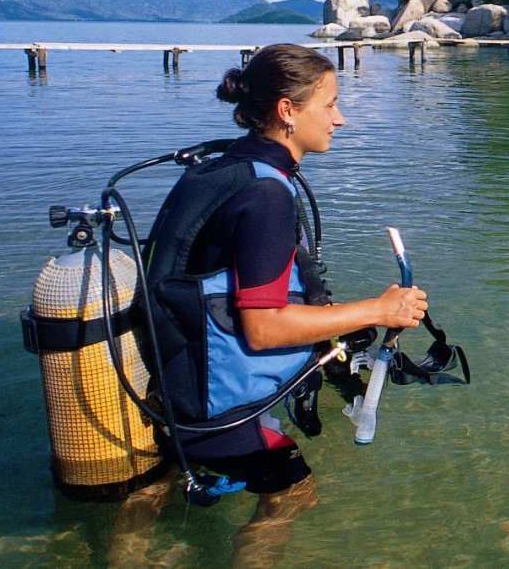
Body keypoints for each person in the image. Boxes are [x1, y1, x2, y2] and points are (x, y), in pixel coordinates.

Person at [116, 43, 428, 566]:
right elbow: (264, 328)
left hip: (173, 381)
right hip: (216, 406)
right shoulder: (266, 196)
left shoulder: (221, 168)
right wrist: (379, 310)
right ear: (288, 110)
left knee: (160, 483)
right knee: (292, 494)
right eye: (329, 105)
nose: (340, 119)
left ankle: (125, 554)